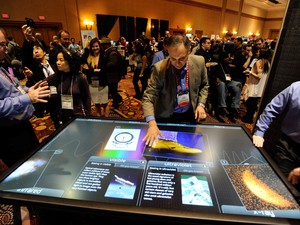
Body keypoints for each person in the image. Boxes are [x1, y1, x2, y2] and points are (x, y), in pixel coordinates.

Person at [142, 34, 209, 146]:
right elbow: (147, 98)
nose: (177, 63)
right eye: (173, 58)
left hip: (189, 114)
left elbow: (204, 86)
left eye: (182, 59)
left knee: (188, 147)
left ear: (189, 51)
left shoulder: (199, 62)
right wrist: (152, 124)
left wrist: (201, 105)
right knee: (164, 150)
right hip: (166, 115)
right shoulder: (159, 69)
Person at [0, 27, 50, 167]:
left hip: (22, 127)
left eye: (5, 44)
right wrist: (27, 97)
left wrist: (28, 89)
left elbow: (13, 88)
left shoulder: (1, 66)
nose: (5, 48)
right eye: (1, 45)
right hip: (9, 135)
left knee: (36, 160)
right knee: (25, 169)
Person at [252, 81, 300, 190]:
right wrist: (260, 131)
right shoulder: (296, 87)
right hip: (288, 147)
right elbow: (272, 108)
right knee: (279, 187)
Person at [46, 48, 91, 126]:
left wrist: (89, 116)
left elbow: (87, 97)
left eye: (61, 60)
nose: (58, 63)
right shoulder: (58, 76)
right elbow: (42, 83)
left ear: (70, 61)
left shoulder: (80, 77)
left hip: (79, 115)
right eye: (57, 60)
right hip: (64, 116)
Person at [82, 37, 109, 117]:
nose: (95, 48)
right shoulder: (88, 57)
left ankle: (106, 120)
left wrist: (91, 71)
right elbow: (84, 71)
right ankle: (99, 118)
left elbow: (103, 71)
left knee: (105, 103)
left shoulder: (104, 56)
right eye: (93, 46)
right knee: (96, 103)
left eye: (96, 46)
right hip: (92, 84)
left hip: (102, 83)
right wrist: (96, 71)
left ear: (99, 46)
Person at [100, 37, 123, 109]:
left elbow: (112, 64)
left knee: (113, 90)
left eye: (102, 45)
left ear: (106, 45)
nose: (101, 46)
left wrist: (103, 66)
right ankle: (119, 99)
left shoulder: (112, 52)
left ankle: (115, 104)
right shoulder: (109, 51)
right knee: (112, 90)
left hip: (113, 75)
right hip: (111, 75)